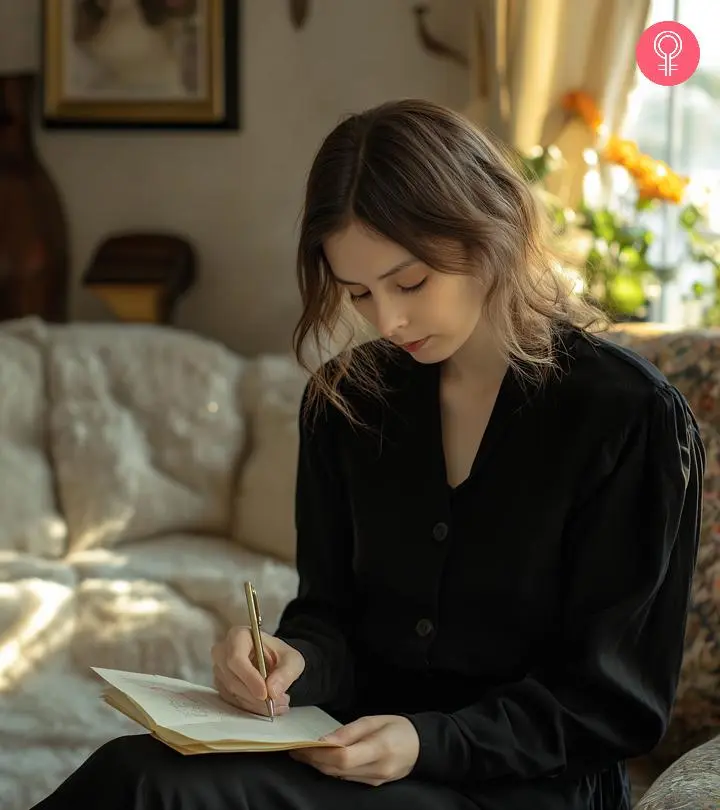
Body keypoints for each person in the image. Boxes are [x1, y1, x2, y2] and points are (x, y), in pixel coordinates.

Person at [32, 99, 704, 810]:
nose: (388, 320)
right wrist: (293, 663)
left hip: (528, 786)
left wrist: (425, 742)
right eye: (358, 293)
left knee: (156, 792)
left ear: (491, 231)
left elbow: (614, 702)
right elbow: (331, 616)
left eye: (410, 283)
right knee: (137, 768)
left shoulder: (627, 417)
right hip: (359, 758)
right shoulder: (346, 401)